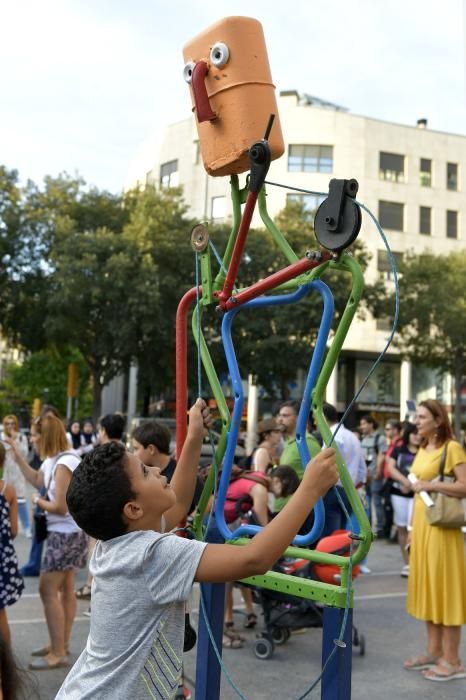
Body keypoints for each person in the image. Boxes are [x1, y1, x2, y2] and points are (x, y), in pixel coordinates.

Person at [56, 399, 338, 698]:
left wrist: (194, 436)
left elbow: (176, 504)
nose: (154, 468)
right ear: (134, 508)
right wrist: (309, 490)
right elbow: (254, 559)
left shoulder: (115, 543)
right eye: (145, 472)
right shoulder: (152, 554)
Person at [5, 415, 88, 670]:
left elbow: (60, 507)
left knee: (47, 590)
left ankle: (58, 652)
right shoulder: (56, 459)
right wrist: (18, 455)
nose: (32, 438)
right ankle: (58, 644)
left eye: (34, 435)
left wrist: (37, 503)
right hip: (68, 534)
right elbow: (38, 481)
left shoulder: (64, 462)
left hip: (64, 534)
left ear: (46, 435)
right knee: (64, 589)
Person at [404, 399, 466, 682]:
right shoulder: (422, 448)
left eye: (422, 417)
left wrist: (430, 484)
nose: (416, 421)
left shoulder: (452, 448)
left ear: (438, 420)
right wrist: (412, 531)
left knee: (446, 592)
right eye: (416, 417)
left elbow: (464, 486)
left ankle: (452, 661)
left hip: (443, 531)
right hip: (424, 528)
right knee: (430, 589)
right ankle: (434, 651)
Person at [320, 403, 367, 537]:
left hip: (334, 490)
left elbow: (325, 466)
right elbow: (362, 470)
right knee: (339, 534)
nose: (314, 423)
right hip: (348, 490)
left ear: (323, 417)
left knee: (330, 536)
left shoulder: (333, 436)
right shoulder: (353, 437)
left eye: (315, 418)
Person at [386, 423, 420, 577]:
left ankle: (417, 562)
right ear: (408, 434)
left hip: (418, 495)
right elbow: (390, 467)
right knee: (402, 528)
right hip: (398, 492)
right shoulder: (399, 449)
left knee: (414, 528)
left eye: (419, 433)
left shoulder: (424, 451)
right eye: (414, 433)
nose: (417, 436)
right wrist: (404, 481)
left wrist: (413, 485)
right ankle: (407, 563)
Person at [0, 443, 24, 647]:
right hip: (2, 558)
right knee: (1, 614)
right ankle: (5, 663)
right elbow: (14, 530)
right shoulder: (8, 490)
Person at [1, 415, 31, 537]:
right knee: (5, 499)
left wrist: (14, 442)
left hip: (18, 472)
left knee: (21, 500)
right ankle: (6, 526)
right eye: (8, 424)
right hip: (5, 472)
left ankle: (27, 527)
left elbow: (25, 453)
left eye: (12, 424)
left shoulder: (21, 437)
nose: (10, 426)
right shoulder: (1, 437)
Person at [359, 414, 387, 537]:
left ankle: (380, 528)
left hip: (375, 475)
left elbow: (382, 455)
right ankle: (367, 528)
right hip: (366, 475)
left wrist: (378, 471)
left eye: (364, 423)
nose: (362, 426)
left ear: (371, 424)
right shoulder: (363, 438)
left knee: (376, 501)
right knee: (366, 501)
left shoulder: (380, 438)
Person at [277, 400, 320, 480]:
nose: (280, 419)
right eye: (279, 415)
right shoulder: (288, 442)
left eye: (285, 416)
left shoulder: (308, 442)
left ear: (298, 418)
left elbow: (319, 477)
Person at [381, 419, 404, 539]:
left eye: (388, 429)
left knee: (393, 508)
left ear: (395, 430)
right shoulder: (392, 444)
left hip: (394, 481)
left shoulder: (400, 445)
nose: (386, 431)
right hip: (388, 479)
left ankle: (396, 532)